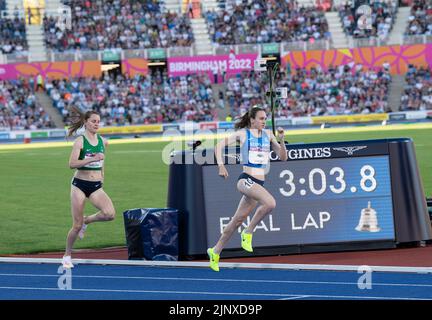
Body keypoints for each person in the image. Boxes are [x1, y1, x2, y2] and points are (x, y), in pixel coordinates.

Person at [207, 106, 288, 271]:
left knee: (237, 220)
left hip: (258, 184)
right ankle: (248, 232)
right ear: (252, 120)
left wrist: (281, 139)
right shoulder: (243, 135)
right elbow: (219, 146)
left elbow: (283, 158)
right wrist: (221, 166)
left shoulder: (268, 135)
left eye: (265, 119)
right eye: (261, 119)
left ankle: (215, 251)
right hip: (245, 181)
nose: (264, 122)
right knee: (270, 203)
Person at [62, 106, 116, 268]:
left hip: (96, 186)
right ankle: (67, 255)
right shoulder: (80, 141)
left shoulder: (103, 141)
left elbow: (102, 160)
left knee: (110, 214)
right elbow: (72, 164)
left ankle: (88, 220)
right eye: (93, 121)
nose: (96, 124)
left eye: (98, 122)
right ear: (86, 123)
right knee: (76, 225)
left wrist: (102, 175)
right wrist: (91, 159)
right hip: (79, 185)